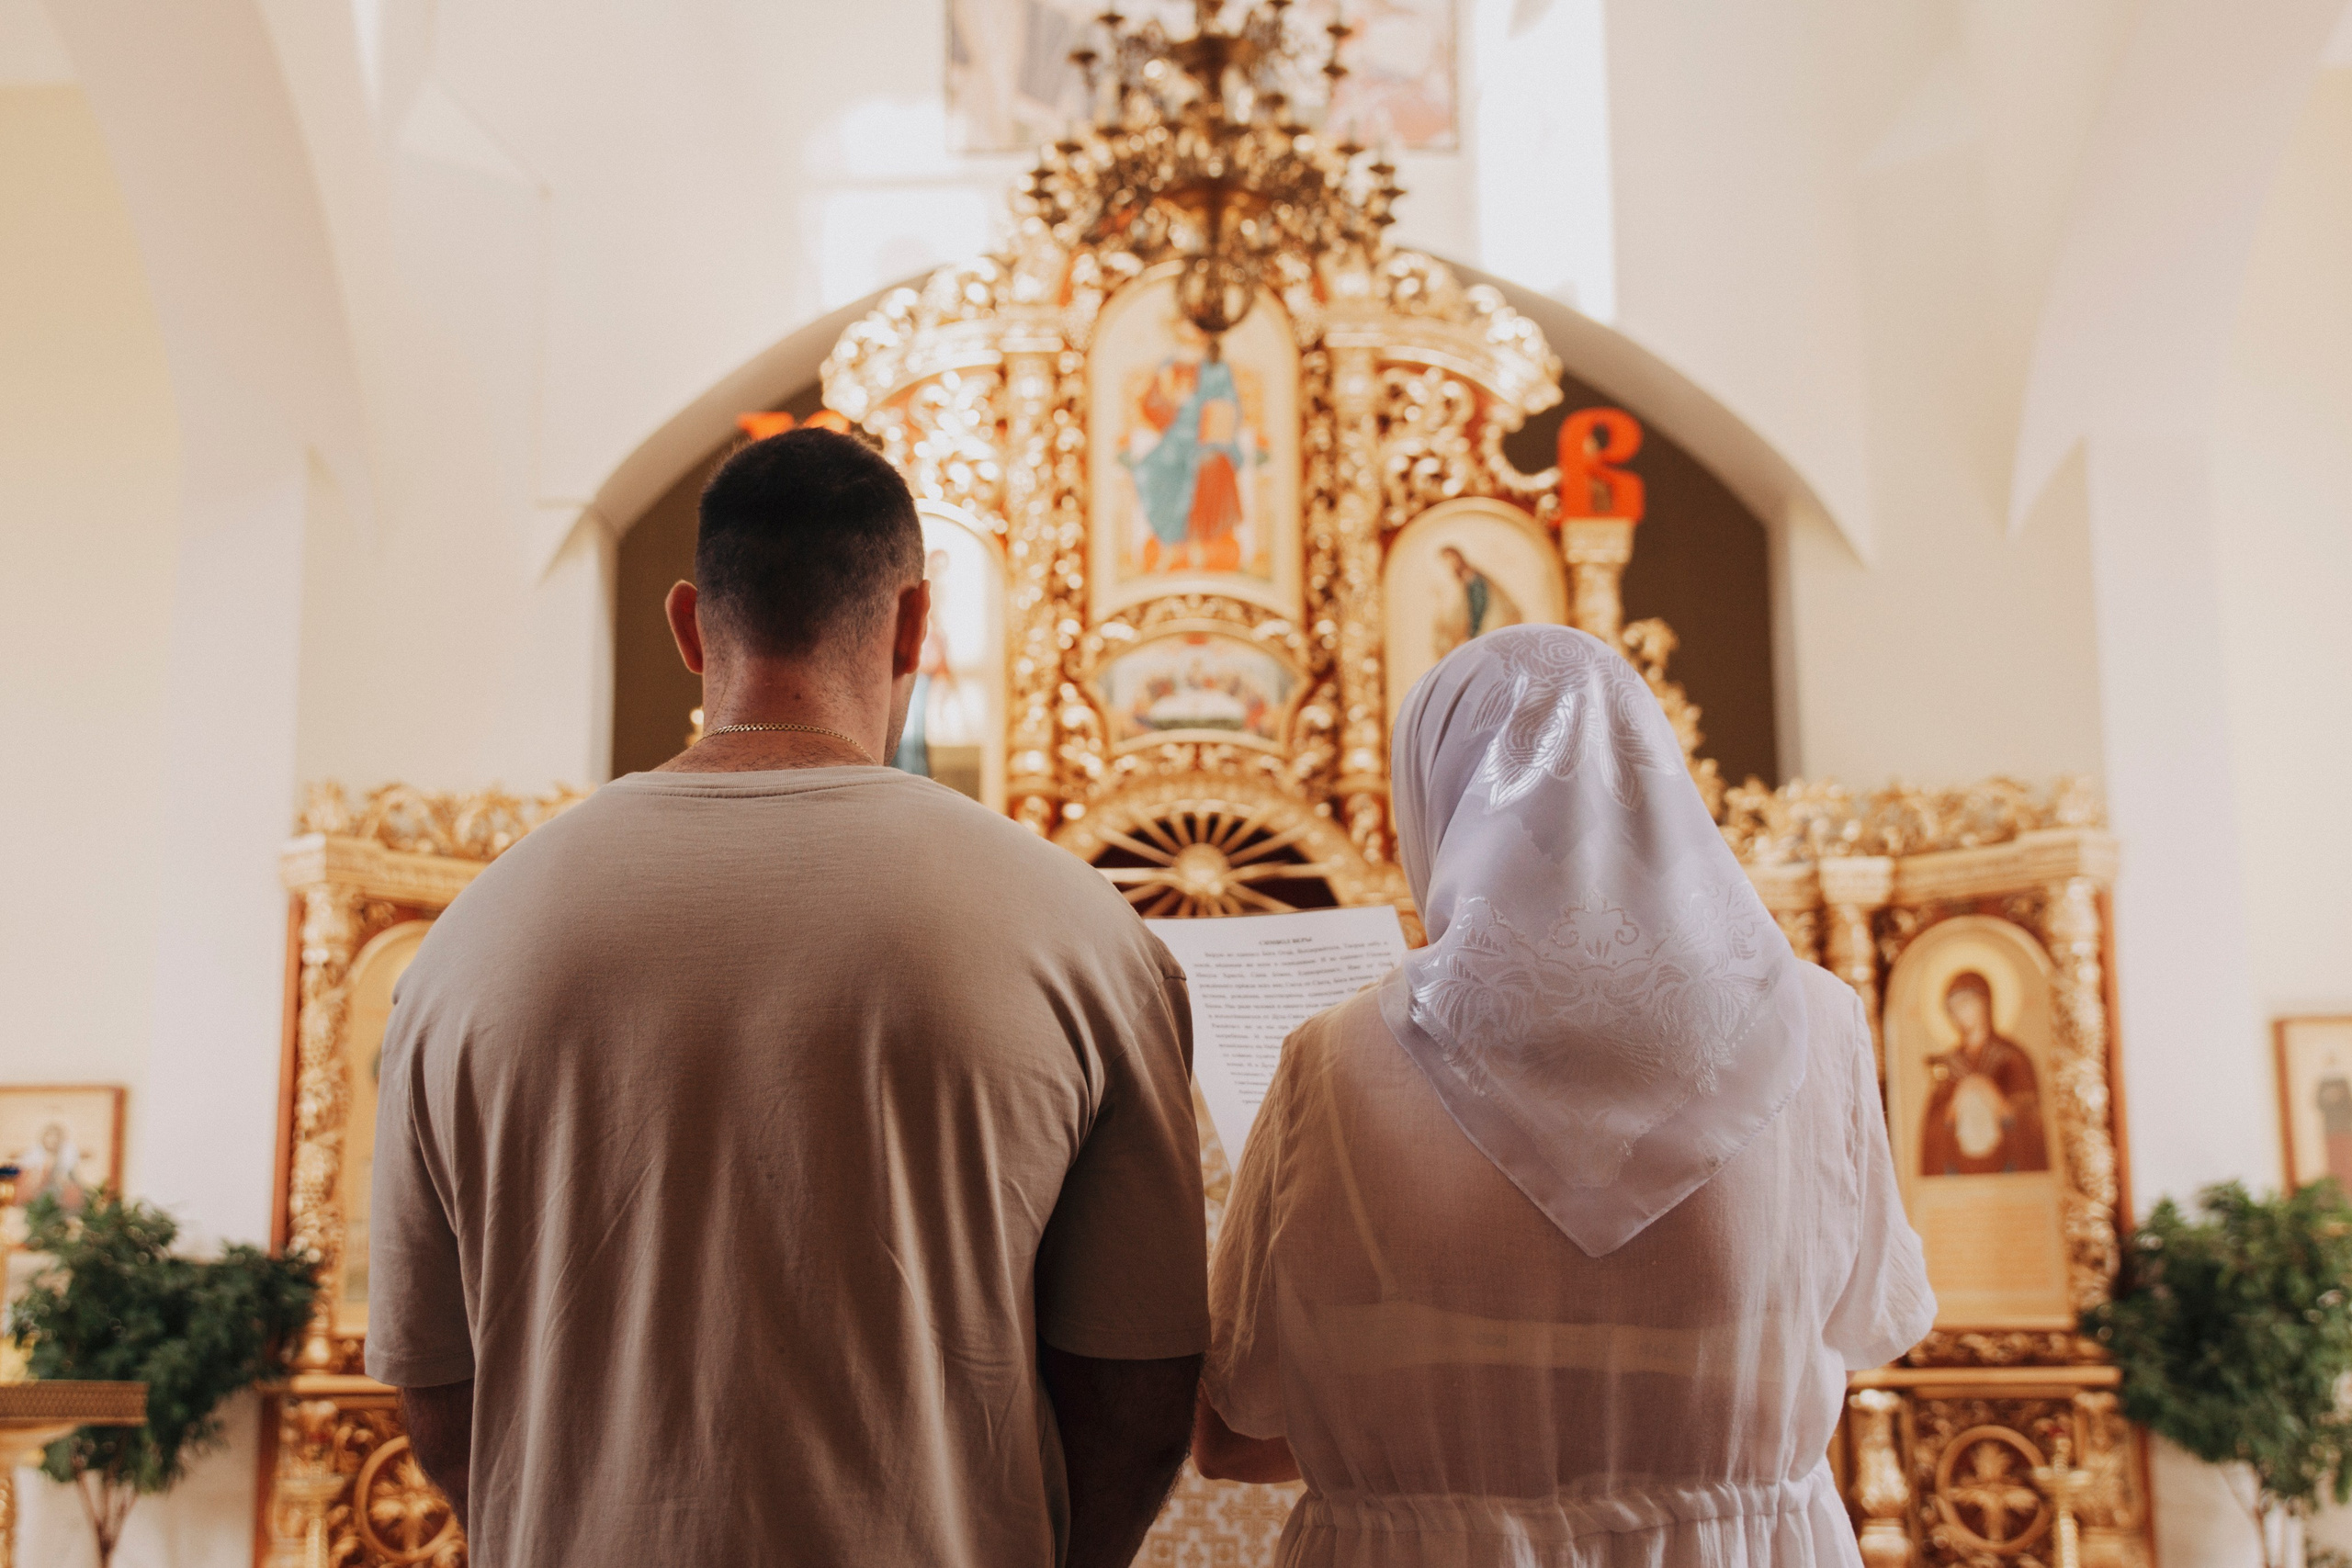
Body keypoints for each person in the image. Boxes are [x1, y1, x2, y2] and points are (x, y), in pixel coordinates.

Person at [368, 428, 1209, 1567]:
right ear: (916, 624)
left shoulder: (469, 941)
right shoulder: (1084, 934)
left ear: (685, 624)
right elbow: (1139, 1390)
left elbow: (437, 1389)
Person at [1193, 625, 1935, 1567]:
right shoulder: (1816, 1028)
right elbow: (1874, 1323)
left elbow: (1237, 1426)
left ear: (1438, 796)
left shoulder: (1331, 1061)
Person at [1918, 971, 2049, 1176]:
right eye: (1953, 1008)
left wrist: (1995, 1097)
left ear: (1985, 1003)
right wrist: (1955, 1103)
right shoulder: (1949, 1065)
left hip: (2008, 1173)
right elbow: (1932, 1132)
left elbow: (2033, 1120)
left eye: (1966, 1003)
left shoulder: (2013, 1057)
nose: (1960, 1013)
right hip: (1960, 1174)